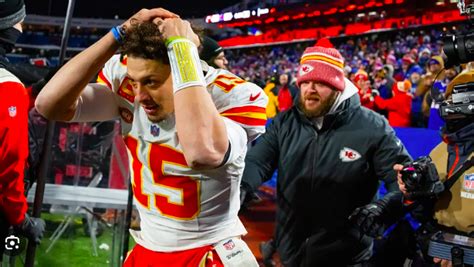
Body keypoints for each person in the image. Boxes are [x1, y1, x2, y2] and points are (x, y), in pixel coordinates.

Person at [35, 8, 267, 267]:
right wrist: (117, 34)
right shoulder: (130, 85)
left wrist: (180, 46)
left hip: (206, 251)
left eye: (152, 82)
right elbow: (48, 105)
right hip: (146, 246)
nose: (139, 96)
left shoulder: (231, 95)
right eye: (134, 82)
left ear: (180, 69)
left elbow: (202, 152)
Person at [240, 38, 412, 266]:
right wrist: (241, 187)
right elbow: (258, 161)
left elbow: (401, 179)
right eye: (304, 82)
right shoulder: (285, 122)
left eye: (319, 82)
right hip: (292, 253)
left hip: (347, 256)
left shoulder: (372, 126)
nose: (309, 90)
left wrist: (386, 209)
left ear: (337, 85)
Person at [397, 70, 474, 267]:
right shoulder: (440, 149)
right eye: (452, 97)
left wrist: (466, 253)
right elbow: (423, 212)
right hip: (433, 249)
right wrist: (412, 193)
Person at [0, 0, 45, 260]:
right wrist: (21, 219)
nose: (22, 26)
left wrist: (29, 95)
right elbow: (9, 162)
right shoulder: (8, 87)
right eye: (19, 20)